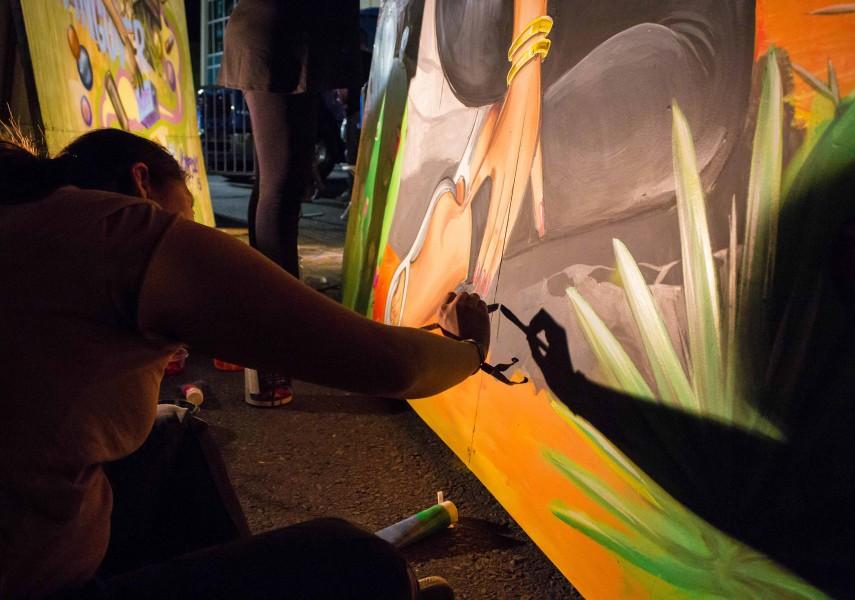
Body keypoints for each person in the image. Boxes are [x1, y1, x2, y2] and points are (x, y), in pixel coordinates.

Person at [0, 128, 489, 598]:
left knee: (173, 433)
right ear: (142, 182)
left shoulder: (27, 217)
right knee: (357, 562)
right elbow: (394, 366)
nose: (193, 231)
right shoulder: (115, 233)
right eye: (188, 215)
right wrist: (467, 350)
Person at [219, 0, 364, 405]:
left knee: (272, 186)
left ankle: (261, 337)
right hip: (282, 38)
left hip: (284, 36)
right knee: (280, 192)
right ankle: (274, 347)